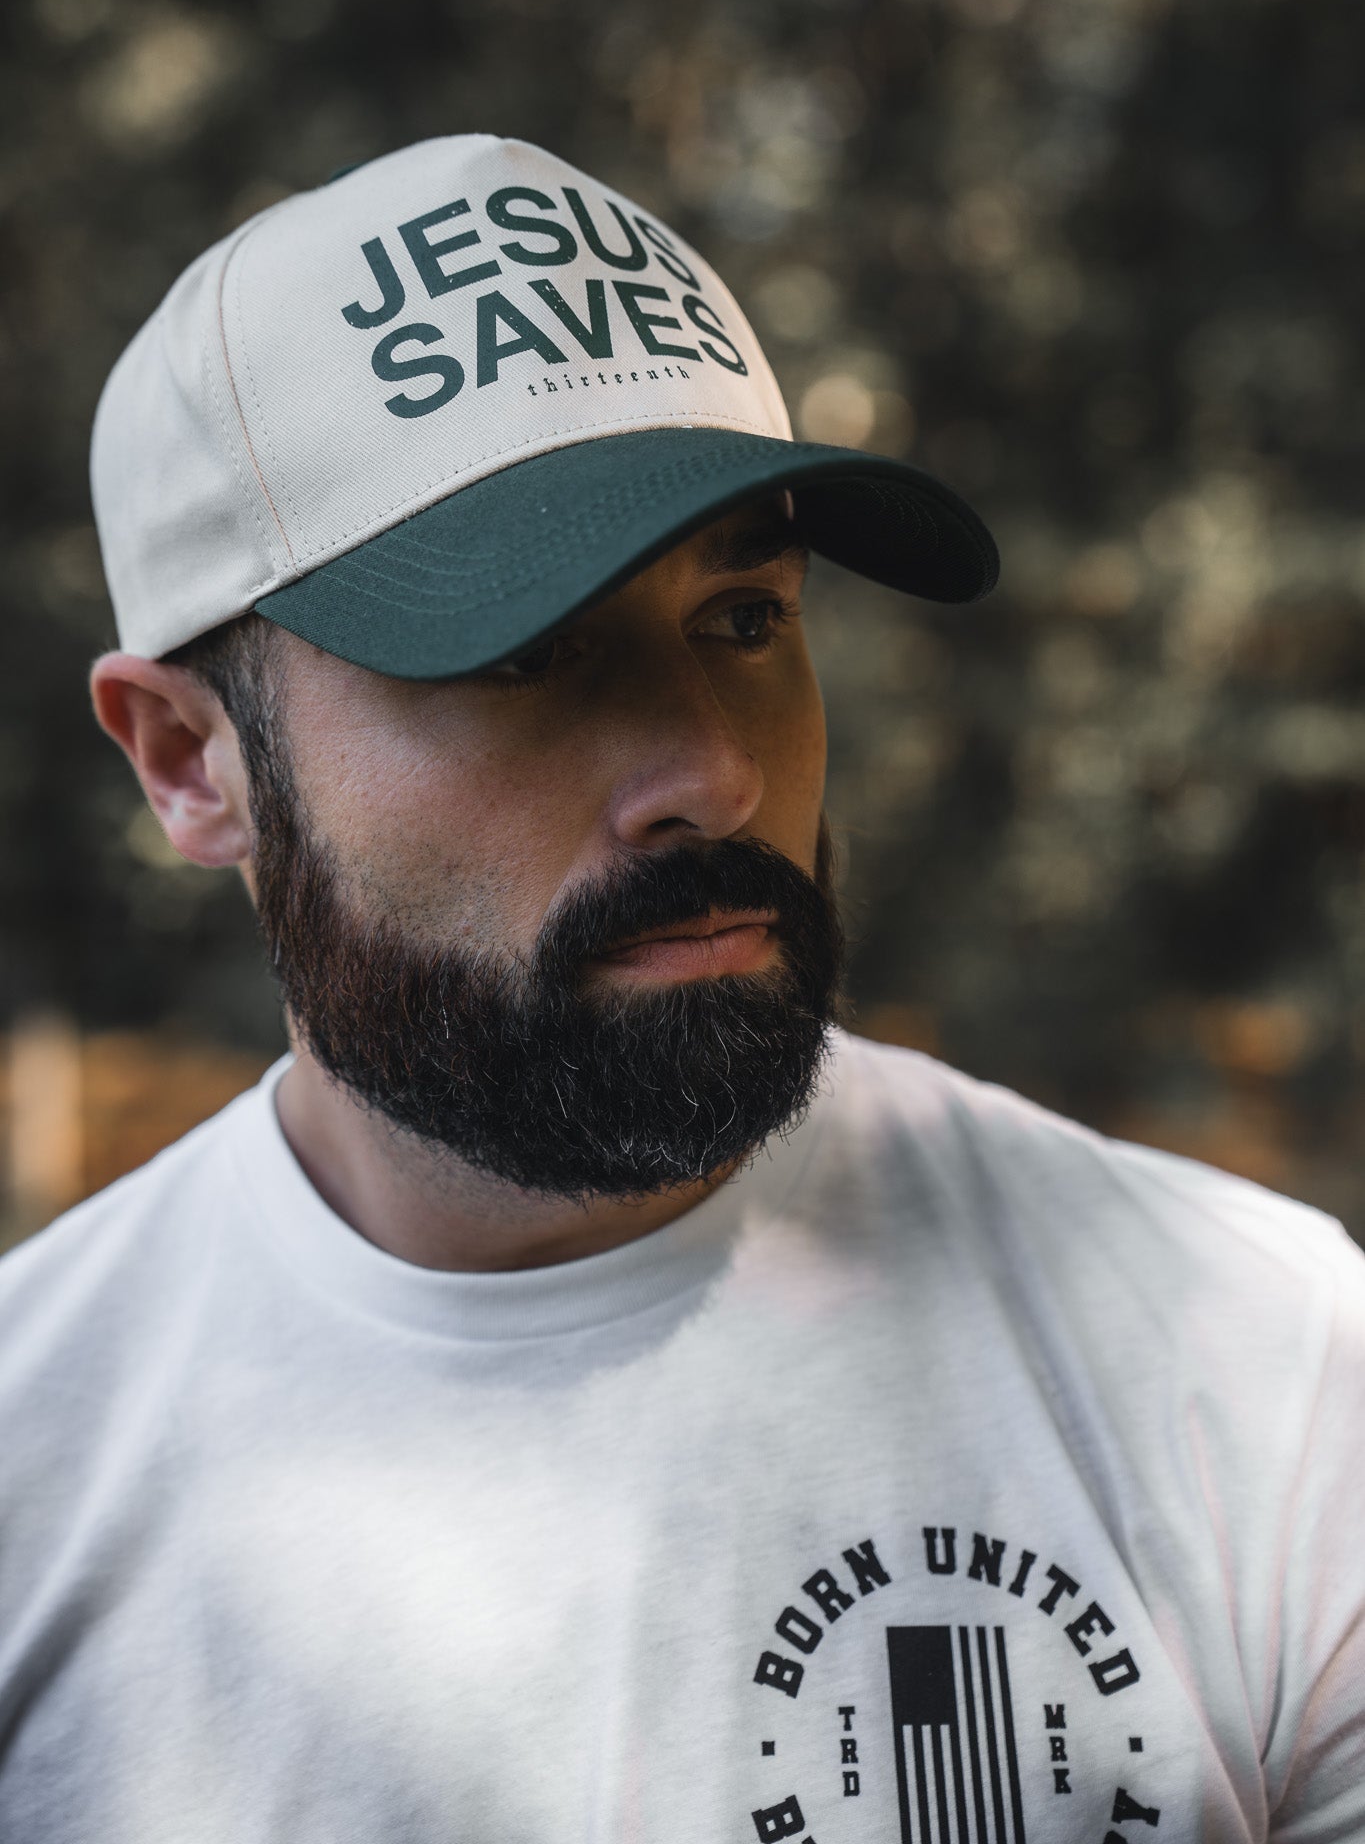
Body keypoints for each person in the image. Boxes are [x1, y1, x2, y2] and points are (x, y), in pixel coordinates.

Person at [0, 134, 1360, 1843]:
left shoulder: (1260, 1368)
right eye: (521, 655)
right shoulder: (35, 1486)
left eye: (741, 616)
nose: (710, 775)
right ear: (193, 759)